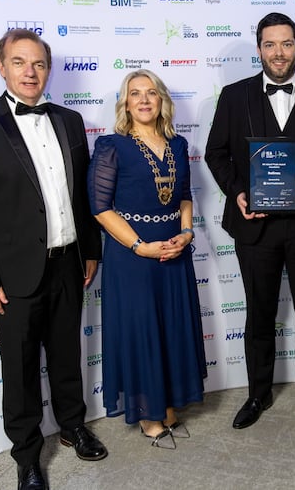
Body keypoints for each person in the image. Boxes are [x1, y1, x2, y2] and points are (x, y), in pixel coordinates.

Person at [0, 29, 107, 490]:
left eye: (37, 63)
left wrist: (90, 250)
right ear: (1, 67)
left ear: (48, 68)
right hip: (11, 272)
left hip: (68, 261)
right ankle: (27, 456)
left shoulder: (70, 121)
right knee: (17, 368)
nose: (30, 72)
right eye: (19, 62)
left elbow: (82, 195)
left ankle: (74, 425)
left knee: (66, 353)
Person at [205, 12, 295, 431]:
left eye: (286, 44)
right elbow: (216, 154)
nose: (279, 52)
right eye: (270, 44)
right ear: (259, 50)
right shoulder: (234, 96)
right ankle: (257, 393)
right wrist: (238, 191)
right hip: (255, 224)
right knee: (259, 314)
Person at [87, 69, 206, 449]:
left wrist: (186, 234)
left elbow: (184, 194)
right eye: (134, 93)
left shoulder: (177, 143)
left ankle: (168, 406)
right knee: (142, 333)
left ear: (161, 101)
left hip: (174, 251)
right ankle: (148, 415)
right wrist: (140, 246)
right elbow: (100, 208)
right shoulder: (111, 145)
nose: (143, 99)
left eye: (150, 93)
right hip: (132, 257)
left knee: (171, 330)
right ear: (125, 102)